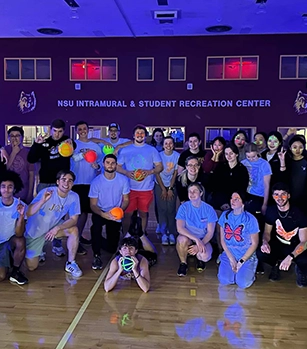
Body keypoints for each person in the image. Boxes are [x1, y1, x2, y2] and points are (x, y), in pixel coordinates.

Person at [27, 118, 76, 258]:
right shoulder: (43, 142)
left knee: (59, 215)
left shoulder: (67, 141)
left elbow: (75, 146)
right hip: (45, 183)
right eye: (55, 131)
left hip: (61, 184)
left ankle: (57, 244)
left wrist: (71, 143)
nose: (57, 134)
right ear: (50, 130)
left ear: (63, 131)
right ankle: (40, 247)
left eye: (60, 131)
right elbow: (31, 159)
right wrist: (36, 144)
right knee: (40, 216)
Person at [25, 170, 82, 278]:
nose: (66, 183)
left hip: (52, 229)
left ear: (73, 184)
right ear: (57, 182)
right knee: (32, 267)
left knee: (74, 229)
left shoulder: (74, 196)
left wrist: (58, 228)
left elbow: (74, 219)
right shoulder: (47, 192)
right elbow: (28, 212)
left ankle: (71, 263)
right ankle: (38, 248)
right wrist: (42, 201)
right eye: (63, 180)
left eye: (70, 181)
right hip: (34, 233)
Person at [257, 182, 307, 287]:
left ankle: (300, 269)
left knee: (304, 259)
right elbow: (266, 232)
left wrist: (291, 257)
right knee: (261, 252)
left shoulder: (299, 213)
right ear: (273, 197)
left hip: (295, 246)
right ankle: (275, 265)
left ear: (288, 195)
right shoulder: (271, 211)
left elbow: (304, 242)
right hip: (279, 245)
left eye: (283, 194)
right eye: (276, 194)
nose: (280, 197)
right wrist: (265, 242)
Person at [117, 124, 163, 234]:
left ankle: (142, 236)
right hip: (129, 188)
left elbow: (160, 167)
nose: (140, 135)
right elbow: (117, 167)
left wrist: (149, 171)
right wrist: (126, 172)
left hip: (146, 188)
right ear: (133, 135)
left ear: (146, 136)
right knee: (127, 213)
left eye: (142, 133)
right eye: (137, 133)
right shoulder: (126, 150)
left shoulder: (151, 150)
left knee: (143, 213)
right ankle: (126, 236)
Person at [89, 154, 130, 270]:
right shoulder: (96, 182)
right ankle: (96, 255)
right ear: (103, 164)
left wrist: (120, 211)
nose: (110, 165)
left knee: (112, 248)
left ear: (116, 165)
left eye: (113, 163)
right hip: (100, 211)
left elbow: (126, 200)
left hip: (115, 212)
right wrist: (103, 214)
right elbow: (93, 205)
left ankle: (98, 241)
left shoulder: (123, 180)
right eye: (108, 162)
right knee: (95, 228)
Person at [71, 120, 103, 254]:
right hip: (77, 183)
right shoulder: (73, 144)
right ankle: (75, 241)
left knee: (91, 212)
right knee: (80, 214)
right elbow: (71, 158)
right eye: (80, 129)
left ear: (88, 129)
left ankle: (84, 238)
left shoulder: (95, 146)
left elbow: (101, 163)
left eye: (85, 128)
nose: (82, 131)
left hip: (91, 183)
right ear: (77, 131)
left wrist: (97, 167)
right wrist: (82, 155)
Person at [218, 191, 259, 289]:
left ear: (243, 203)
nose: (233, 201)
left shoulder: (250, 219)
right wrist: (231, 258)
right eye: (232, 198)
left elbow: (254, 243)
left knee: (243, 283)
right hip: (229, 253)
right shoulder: (224, 215)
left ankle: (249, 271)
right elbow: (222, 240)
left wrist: (241, 261)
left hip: (246, 255)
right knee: (224, 280)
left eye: (237, 199)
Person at [176, 183, 218, 276]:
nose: (192, 193)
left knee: (205, 256)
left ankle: (200, 259)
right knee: (181, 239)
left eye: (195, 191)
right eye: (190, 191)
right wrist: (196, 239)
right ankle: (183, 263)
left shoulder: (209, 209)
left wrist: (200, 244)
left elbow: (210, 233)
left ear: (201, 193)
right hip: (189, 238)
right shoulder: (183, 207)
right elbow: (180, 228)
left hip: (204, 239)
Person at [0, 170, 28, 285]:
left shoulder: (21, 205)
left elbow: (19, 234)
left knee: (20, 241)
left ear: (15, 189)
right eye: (3, 186)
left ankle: (15, 272)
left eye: (10, 187)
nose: (6, 190)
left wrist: (21, 216)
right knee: (1, 276)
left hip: (8, 244)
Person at [209, 142, 249, 211]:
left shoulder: (242, 169)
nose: (229, 156)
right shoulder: (220, 167)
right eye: (226, 154)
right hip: (219, 200)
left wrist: (232, 201)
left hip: (235, 200)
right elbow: (214, 186)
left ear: (236, 154)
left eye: (231, 153)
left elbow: (242, 187)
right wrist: (222, 202)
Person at [154, 136, 180, 245]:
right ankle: (164, 232)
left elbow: (175, 173)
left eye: (170, 143)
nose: (168, 145)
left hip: (171, 185)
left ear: (173, 145)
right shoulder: (158, 156)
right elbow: (157, 173)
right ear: (163, 145)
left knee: (171, 209)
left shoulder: (177, 156)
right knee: (162, 209)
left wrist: (170, 188)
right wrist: (163, 189)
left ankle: (172, 232)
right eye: (166, 143)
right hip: (159, 185)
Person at [5, 126, 34, 204]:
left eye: (17, 135)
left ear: (22, 137)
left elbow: (31, 174)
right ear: (8, 138)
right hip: (6, 192)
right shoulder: (4, 151)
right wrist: (14, 153)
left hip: (23, 192)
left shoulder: (28, 153)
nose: (14, 138)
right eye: (12, 136)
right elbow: (5, 169)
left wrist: (30, 193)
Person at [241, 143, 272, 215]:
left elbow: (267, 185)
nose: (251, 159)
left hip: (259, 196)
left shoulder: (264, 164)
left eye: (253, 156)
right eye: (248, 157)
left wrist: (265, 204)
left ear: (257, 153)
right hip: (246, 194)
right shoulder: (243, 163)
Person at [284, 135, 307, 214]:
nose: (297, 150)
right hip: (288, 198)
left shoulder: (306, 161)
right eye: (294, 147)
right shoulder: (286, 161)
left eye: (300, 147)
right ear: (290, 148)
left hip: (304, 199)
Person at [261, 131, 286, 198]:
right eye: (270, 141)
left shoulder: (284, 155)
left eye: (275, 141)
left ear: (280, 143)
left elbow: (285, 175)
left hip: (277, 190)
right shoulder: (262, 154)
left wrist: (282, 161)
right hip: (263, 188)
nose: (272, 144)